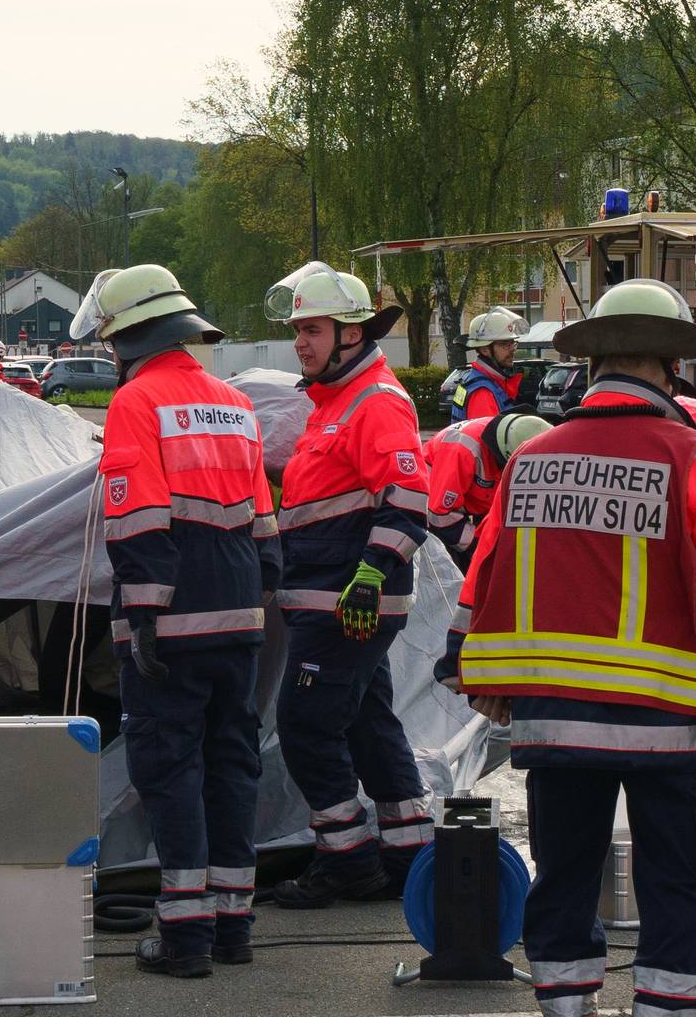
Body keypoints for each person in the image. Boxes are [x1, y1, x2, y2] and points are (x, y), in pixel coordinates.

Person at [441, 278, 696, 1017]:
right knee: (680, 876)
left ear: (593, 364)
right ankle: (665, 1007)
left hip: (553, 721)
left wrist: (469, 669)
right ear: (669, 366)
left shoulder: (532, 458)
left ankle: (566, 1005)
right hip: (666, 723)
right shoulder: (695, 456)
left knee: (564, 873)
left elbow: (484, 575)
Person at [74, 264, 282, 978]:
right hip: (239, 617)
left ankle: (186, 937)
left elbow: (138, 522)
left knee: (172, 771)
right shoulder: (233, 402)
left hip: (172, 623)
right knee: (233, 765)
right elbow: (264, 523)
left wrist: (148, 615)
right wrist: (256, 598)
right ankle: (234, 925)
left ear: (127, 337)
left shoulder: (137, 402)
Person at [262, 261, 438, 907]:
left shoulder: (375, 401)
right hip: (334, 600)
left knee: (306, 727)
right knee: (368, 727)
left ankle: (347, 861)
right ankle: (408, 854)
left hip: (347, 604)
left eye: (312, 329)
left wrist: (368, 576)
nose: (300, 343)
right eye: (298, 330)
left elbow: (410, 500)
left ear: (353, 334)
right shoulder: (333, 402)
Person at [423, 412, 552, 570]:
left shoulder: (525, 431)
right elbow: (439, 515)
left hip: (472, 501)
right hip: (435, 506)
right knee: (454, 567)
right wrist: (481, 545)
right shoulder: (462, 451)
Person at [449, 308, 527, 423]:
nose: (512, 350)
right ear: (485, 349)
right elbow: (489, 439)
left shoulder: (484, 381)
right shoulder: (482, 392)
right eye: (505, 344)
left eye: (513, 343)